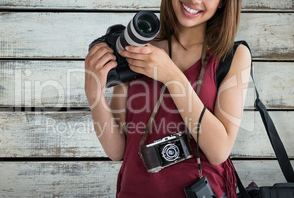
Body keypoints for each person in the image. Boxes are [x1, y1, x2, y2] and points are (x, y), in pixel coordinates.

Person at [85, 0, 251, 197]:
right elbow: (117, 151)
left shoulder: (232, 55)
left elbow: (219, 151)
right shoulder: (138, 49)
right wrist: (94, 94)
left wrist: (172, 76)